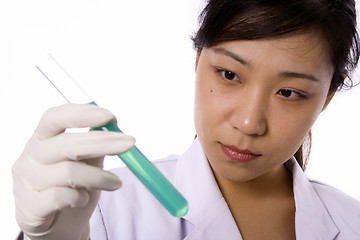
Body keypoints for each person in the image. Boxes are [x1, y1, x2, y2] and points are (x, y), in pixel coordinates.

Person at [12, 0, 360, 239]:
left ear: (326, 99)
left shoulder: (353, 223)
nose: (249, 122)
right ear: (198, 62)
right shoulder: (101, 211)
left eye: (288, 92)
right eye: (228, 74)